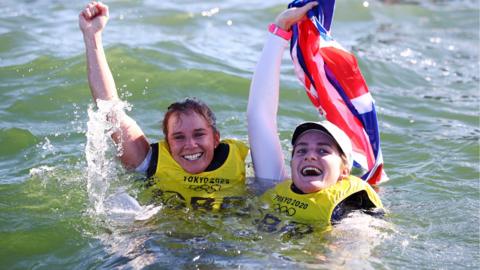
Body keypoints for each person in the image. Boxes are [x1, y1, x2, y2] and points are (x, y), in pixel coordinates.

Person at [79, 2, 248, 211]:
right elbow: (109, 109)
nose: (190, 145)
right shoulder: (151, 162)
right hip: (162, 241)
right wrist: (92, 36)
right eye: (178, 137)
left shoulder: (241, 163)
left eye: (199, 134)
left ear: (215, 139)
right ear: (167, 143)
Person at [247, 2, 383, 232]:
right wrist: (281, 28)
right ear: (291, 164)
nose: (309, 156)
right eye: (301, 150)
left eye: (323, 150)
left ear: (344, 170)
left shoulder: (352, 215)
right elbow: (258, 116)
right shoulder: (274, 185)